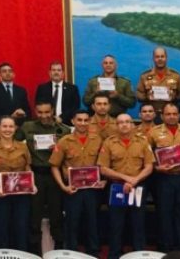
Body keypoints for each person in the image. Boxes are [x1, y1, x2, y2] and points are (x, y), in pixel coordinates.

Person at [98, 114, 155, 259]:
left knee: (138, 223)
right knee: (116, 224)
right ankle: (114, 254)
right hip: (116, 187)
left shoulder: (142, 141)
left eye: (127, 122)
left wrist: (135, 180)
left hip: (138, 186)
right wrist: (126, 178)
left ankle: (139, 254)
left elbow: (149, 166)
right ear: (116, 125)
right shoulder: (108, 142)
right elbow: (103, 168)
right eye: (120, 122)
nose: (124, 125)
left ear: (132, 124)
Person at [18, 102, 72, 253]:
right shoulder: (27, 127)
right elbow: (14, 142)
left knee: (56, 214)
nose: (44, 115)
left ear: (52, 111)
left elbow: (69, 152)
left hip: (55, 175)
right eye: (40, 112)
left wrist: (58, 149)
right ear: (35, 111)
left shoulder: (64, 130)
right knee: (34, 215)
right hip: (35, 174)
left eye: (47, 112)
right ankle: (34, 251)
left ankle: (59, 250)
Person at [50, 110, 106, 257]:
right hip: (72, 189)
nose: (82, 123)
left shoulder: (98, 140)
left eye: (86, 120)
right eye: (79, 120)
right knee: (72, 222)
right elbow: (54, 165)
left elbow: (105, 163)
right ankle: (71, 252)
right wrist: (63, 186)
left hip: (93, 189)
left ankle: (93, 252)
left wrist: (104, 181)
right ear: (73, 121)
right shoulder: (64, 141)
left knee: (93, 222)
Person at [146, 103, 180, 251]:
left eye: (174, 114)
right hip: (163, 179)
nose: (172, 116)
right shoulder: (153, 132)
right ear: (162, 116)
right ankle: (165, 246)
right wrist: (156, 168)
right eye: (168, 114)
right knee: (164, 212)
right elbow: (146, 156)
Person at [0, 116, 34, 251]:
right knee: (1, 227)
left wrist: (32, 184)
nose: (8, 129)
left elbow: (27, 168)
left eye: (11, 126)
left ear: (15, 128)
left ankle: (21, 254)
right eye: (4, 126)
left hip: (21, 194)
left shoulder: (23, 147)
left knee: (21, 227)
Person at [136, 47, 180, 118]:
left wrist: (173, 97)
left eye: (162, 56)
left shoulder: (176, 76)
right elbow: (139, 95)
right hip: (152, 115)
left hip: (171, 115)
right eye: (157, 57)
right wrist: (148, 96)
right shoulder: (145, 76)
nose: (160, 59)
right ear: (153, 59)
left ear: (166, 58)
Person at [0, 62, 31, 127]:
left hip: (19, 126)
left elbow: (28, 111)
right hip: (1, 126)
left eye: (10, 71)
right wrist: (10, 117)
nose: (8, 73)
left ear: (14, 74)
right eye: (4, 71)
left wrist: (24, 114)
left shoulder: (21, 90)